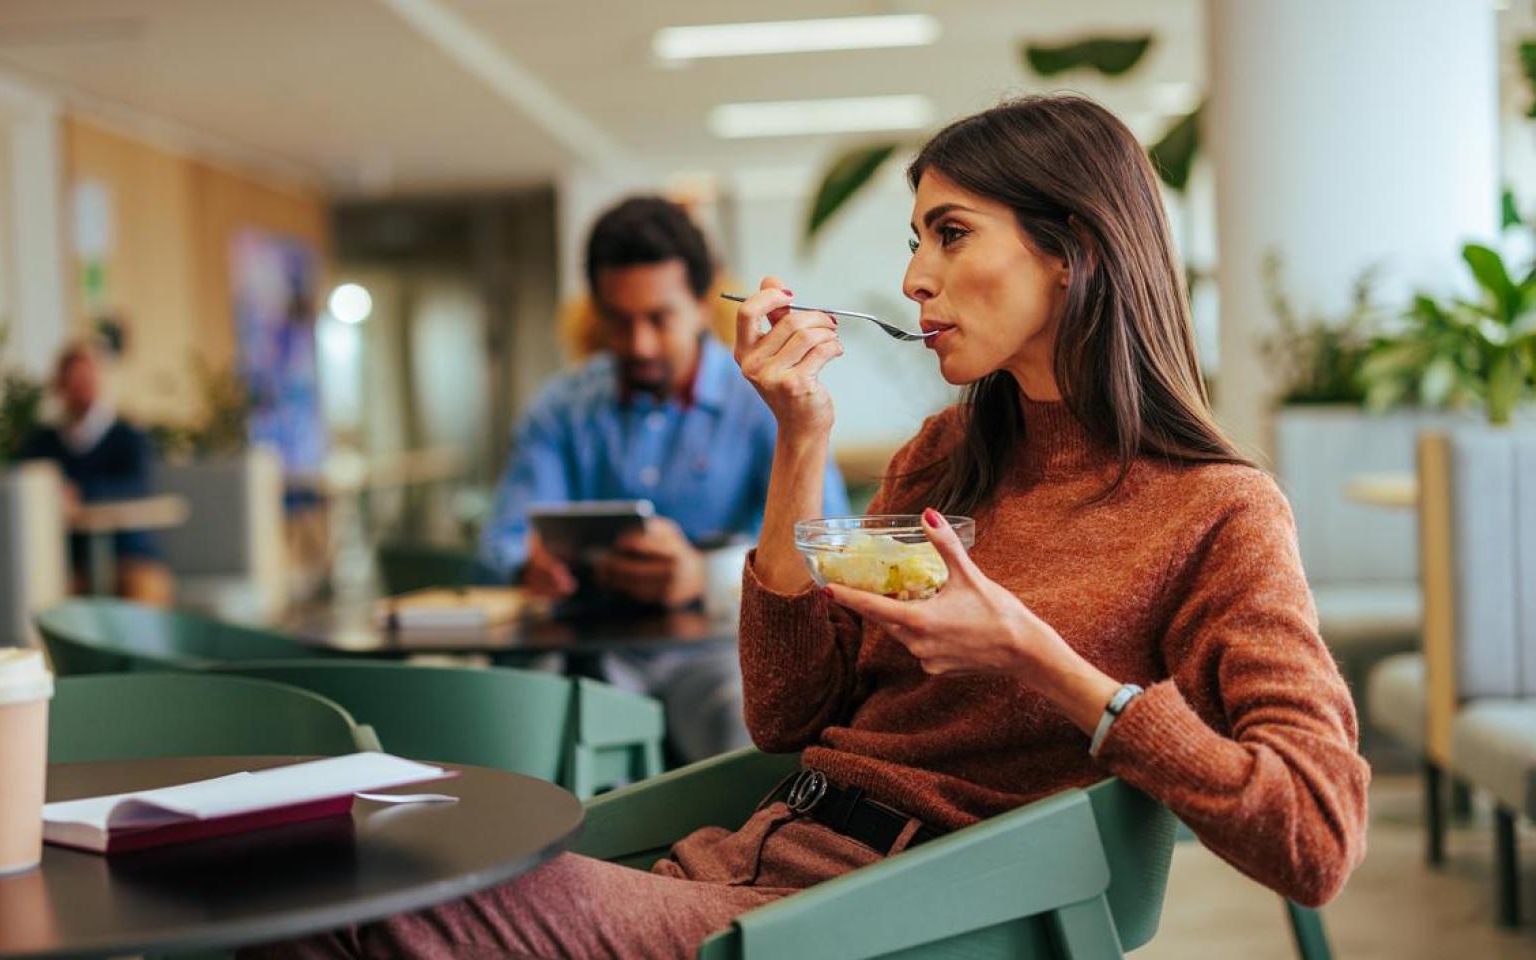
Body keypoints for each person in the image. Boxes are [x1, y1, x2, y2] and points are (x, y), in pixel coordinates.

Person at [249, 95, 1368, 959]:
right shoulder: (947, 456)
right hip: (750, 853)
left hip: (885, 913)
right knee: (327, 886)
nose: (912, 276)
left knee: (390, 898)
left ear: (1072, 249)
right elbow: (788, 712)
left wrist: (1038, 660)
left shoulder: (1216, 510)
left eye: (948, 233)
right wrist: (798, 433)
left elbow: (1313, 838)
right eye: (914, 236)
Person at [480, 195, 850, 763]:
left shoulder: (766, 404)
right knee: (522, 733)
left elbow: (825, 550)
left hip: (719, 649)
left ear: (703, 305)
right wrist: (531, 563)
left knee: (748, 731)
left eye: (658, 318)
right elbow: (502, 541)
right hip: (594, 649)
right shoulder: (560, 409)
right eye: (619, 321)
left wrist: (700, 577)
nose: (639, 344)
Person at [19, 342, 174, 606]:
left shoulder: (127, 437)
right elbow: (25, 485)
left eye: (87, 379)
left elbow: (137, 486)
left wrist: (79, 492)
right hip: (71, 559)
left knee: (148, 590)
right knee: (47, 599)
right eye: (73, 380)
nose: (81, 387)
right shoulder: (44, 443)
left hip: (128, 554)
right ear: (60, 386)